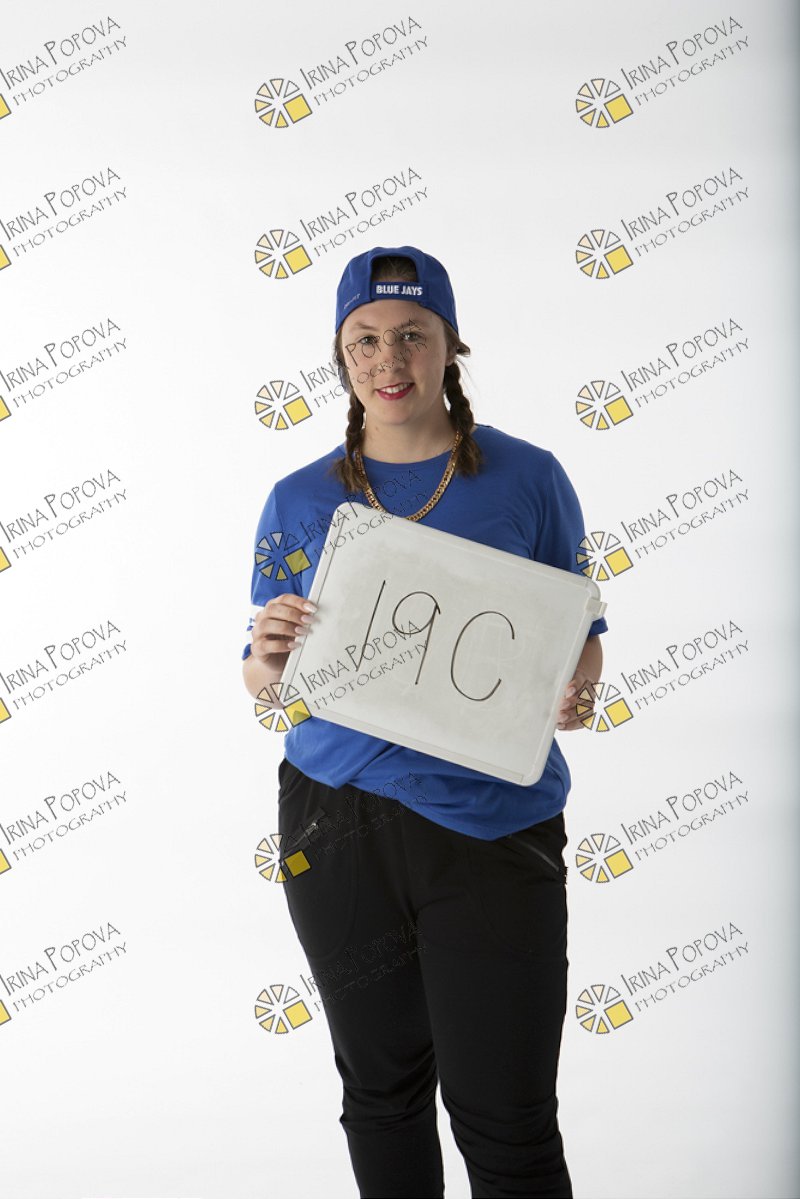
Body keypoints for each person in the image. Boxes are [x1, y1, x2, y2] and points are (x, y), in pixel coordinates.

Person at [242, 245, 607, 1199]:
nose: (388, 359)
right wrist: (268, 658)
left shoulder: (529, 479)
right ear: (341, 357)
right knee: (382, 1094)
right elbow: (261, 677)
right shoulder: (300, 497)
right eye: (364, 340)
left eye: (412, 334)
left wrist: (574, 690)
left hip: (492, 821)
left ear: (451, 346)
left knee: (507, 1113)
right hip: (335, 820)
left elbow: (579, 636)